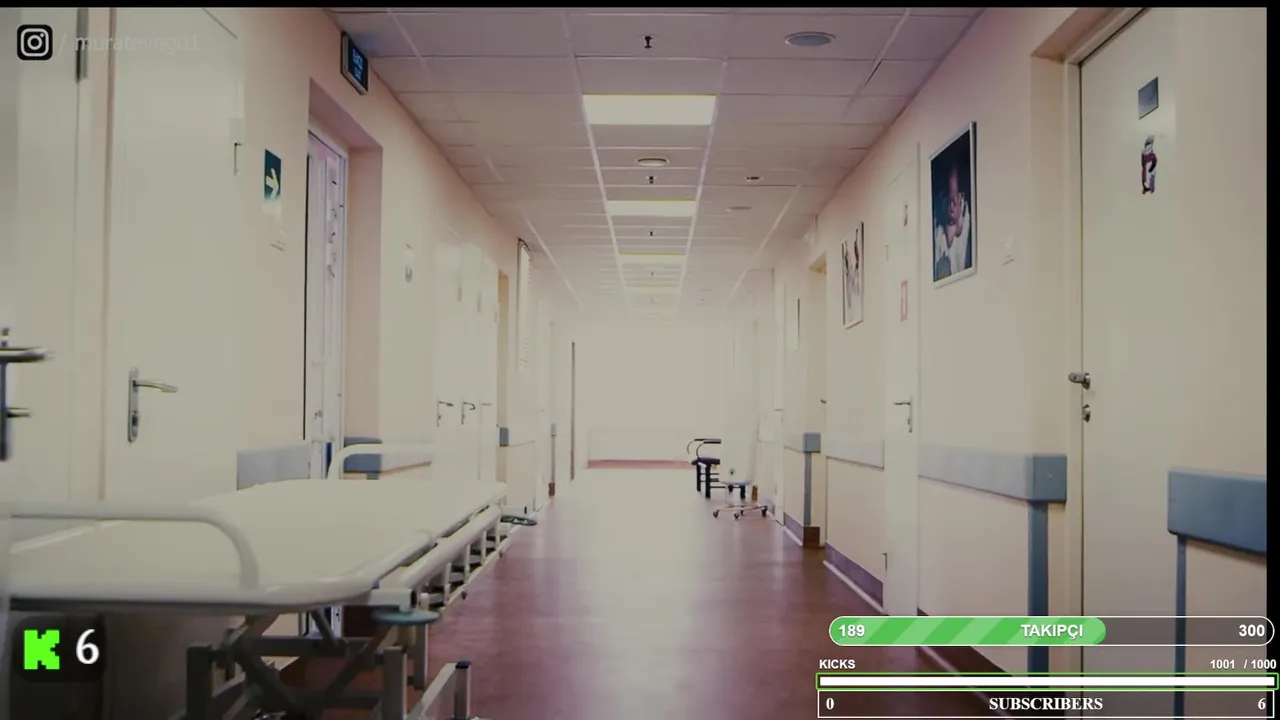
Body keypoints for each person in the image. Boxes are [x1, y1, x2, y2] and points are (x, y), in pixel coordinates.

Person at [933, 164, 972, 281]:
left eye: (956, 196)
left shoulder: (969, 229)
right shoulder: (938, 234)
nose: (951, 205)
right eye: (948, 196)